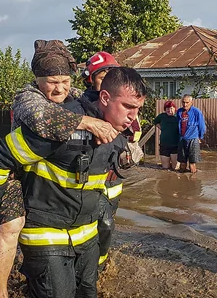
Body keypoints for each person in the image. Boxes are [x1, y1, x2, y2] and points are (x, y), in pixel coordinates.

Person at [0, 65, 147, 297]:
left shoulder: (118, 129)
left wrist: (126, 158)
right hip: (46, 234)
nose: (133, 117)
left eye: (138, 109)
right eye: (128, 107)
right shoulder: (59, 125)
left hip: (86, 235)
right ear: (105, 97)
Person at [82, 51, 143, 270]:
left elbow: (134, 134)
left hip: (112, 179)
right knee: (99, 224)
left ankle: (100, 260)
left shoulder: (126, 109)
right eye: (102, 75)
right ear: (92, 79)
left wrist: (132, 152)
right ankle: (92, 265)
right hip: (89, 180)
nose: (107, 78)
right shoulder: (83, 107)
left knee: (107, 224)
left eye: (111, 73)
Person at [177, 94, 206, 174]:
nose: (185, 104)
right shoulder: (179, 112)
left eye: (187, 102)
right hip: (182, 139)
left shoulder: (196, 112)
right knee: (182, 163)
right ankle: (181, 181)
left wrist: (200, 137)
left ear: (191, 102)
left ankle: (193, 181)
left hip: (193, 139)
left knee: (192, 164)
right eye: (183, 102)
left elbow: (202, 126)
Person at [153, 100, 179, 170]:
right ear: (165, 109)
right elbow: (155, 121)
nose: (169, 110)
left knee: (175, 168)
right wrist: (161, 127)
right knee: (165, 168)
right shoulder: (162, 116)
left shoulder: (178, 116)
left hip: (176, 145)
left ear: (174, 108)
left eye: (171, 108)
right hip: (164, 145)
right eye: (167, 108)